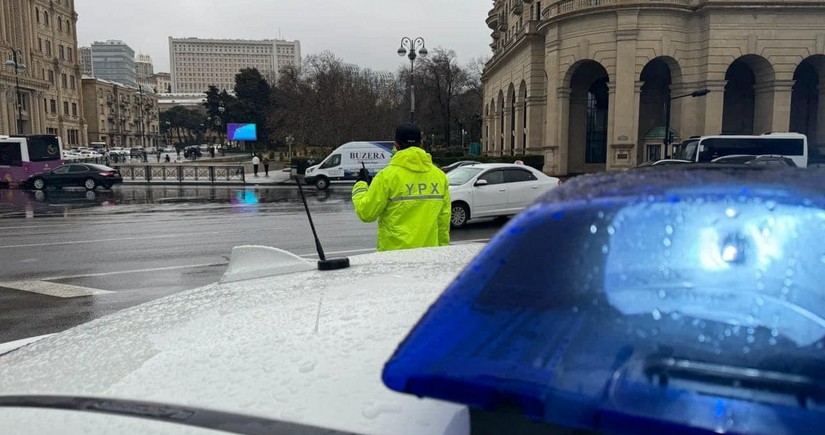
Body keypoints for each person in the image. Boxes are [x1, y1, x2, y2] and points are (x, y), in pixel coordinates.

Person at [351, 123, 450, 252]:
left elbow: (366, 213)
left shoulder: (386, 177)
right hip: (429, 256)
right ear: (421, 144)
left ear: (396, 145)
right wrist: (442, 252)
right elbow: (443, 222)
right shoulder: (439, 177)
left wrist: (360, 185)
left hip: (394, 258)